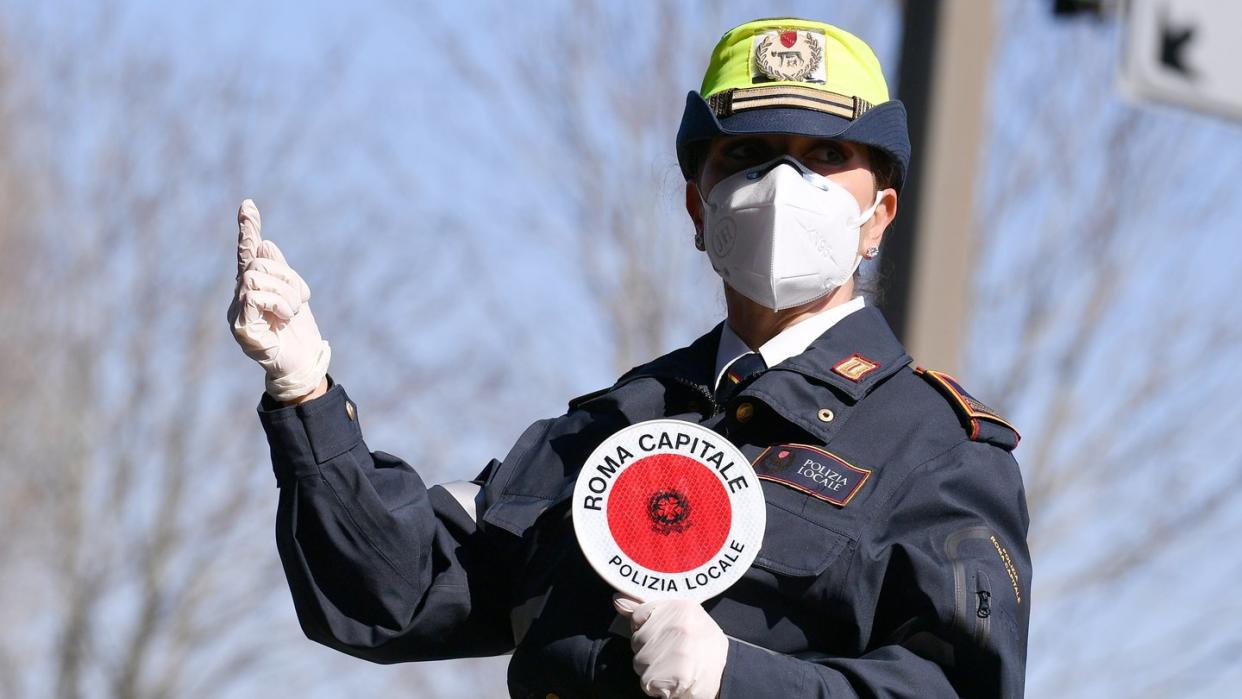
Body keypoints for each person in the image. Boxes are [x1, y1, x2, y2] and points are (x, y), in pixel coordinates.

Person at [229, 17, 1031, 699]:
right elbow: (389, 594)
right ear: (698, 203)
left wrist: (736, 679)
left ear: (878, 215)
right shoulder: (607, 427)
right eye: (747, 155)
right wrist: (307, 396)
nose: (783, 183)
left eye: (824, 156)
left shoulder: (936, 449)